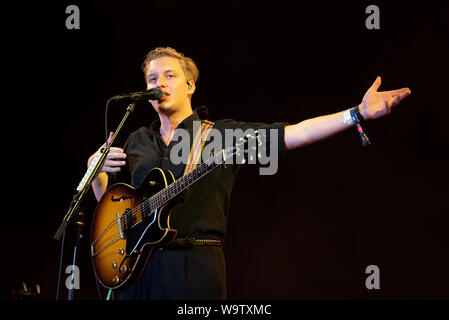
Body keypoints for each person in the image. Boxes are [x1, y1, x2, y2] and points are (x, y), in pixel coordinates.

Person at [88, 47, 411, 300]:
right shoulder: (136, 140)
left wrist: (355, 114)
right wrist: (96, 174)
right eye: (152, 79)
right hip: (137, 274)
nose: (159, 83)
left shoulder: (218, 135)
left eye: (169, 76)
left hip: (193, 266)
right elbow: (118, 213)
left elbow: (292, 134)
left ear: (190, 85)